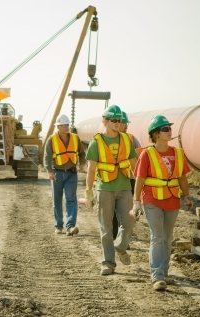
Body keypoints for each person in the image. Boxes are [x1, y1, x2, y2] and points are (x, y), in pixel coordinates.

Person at [131, 115, 193, 291]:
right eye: (165, 129)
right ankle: (157, 276)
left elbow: (182, 177)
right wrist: (136, 202)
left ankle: (165, 273)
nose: (169, 131)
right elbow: (140, 179)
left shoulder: (178, 153)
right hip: (152, 200)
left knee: (167, 238)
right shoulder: (147, 154)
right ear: (156, 134)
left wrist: (187, 196)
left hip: (172, 199)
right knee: (157, 237)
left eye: (170, 128)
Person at [85, 105, 137, 275]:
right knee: (106, 228)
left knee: (129, 222)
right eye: (114, 120)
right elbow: (91, 170)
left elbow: (135, 167)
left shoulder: (126, 140)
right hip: (104, 188)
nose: (117, 123)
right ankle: (108, 263)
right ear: (105, 121)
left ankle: (120, 246)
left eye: (119, 120)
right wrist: (89, 192)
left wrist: (140, 190)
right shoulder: (96, 142)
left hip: (124, 188)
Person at [44, 114, 86, 236]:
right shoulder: (51, 140)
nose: (66, 127)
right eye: (63, 125)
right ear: (58, 127)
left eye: (67, 125)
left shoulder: (75, 138)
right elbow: (47, 157)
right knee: (57, 200)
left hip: (71, 174)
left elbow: (82, 153)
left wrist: (82, 164)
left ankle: (70, 226)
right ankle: (58, 226)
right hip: (57, 174)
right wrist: (49, 171)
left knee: (71, 199)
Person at [111, 111, 142, 239]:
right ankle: (114, 236)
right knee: (113, 211)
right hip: (113, 179)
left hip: (129, 179)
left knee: (126, 211)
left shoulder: (132, 139)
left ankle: (124, 239)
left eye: (125, 123)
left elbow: (140, 157)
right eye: (123, 123)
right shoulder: (108, 139)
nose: (125, 125)